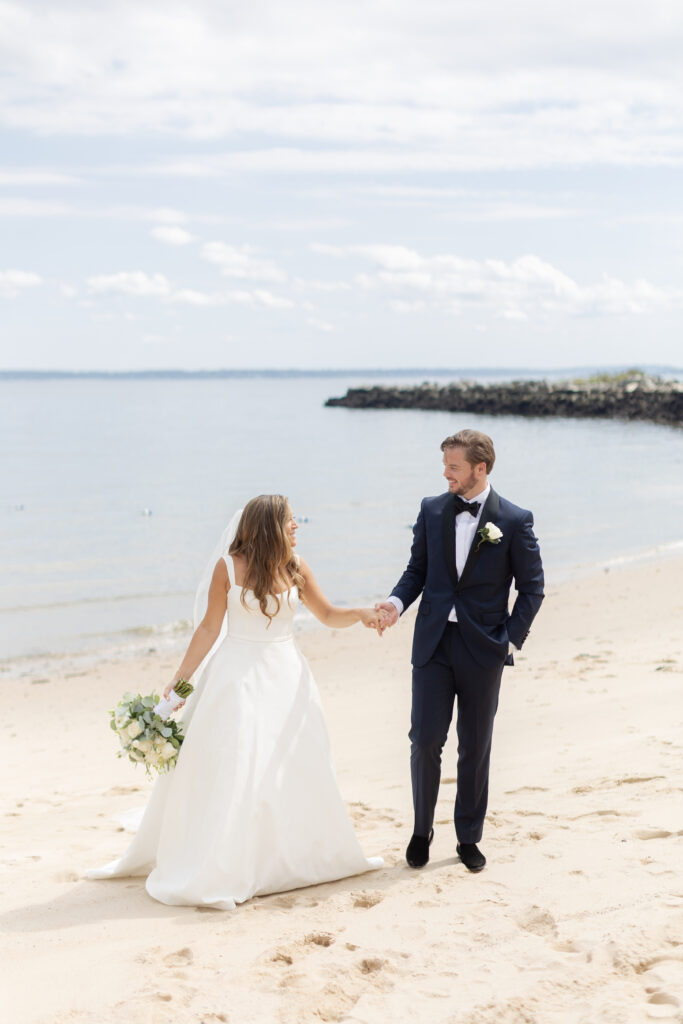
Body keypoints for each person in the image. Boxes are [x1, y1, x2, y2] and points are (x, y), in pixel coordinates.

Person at [86, 495, 383, 909]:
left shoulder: (296, 566)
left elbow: (328, 614)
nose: (298, 527)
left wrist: (363, 614)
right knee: (237, 764)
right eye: (291, 521)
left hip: (287, 676)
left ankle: (288, 855)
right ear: (270, 525)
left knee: (292, 763)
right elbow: (209, 631)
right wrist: (178, 687)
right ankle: (230, 859)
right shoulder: (228, 567)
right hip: (236, 678)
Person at [376, 429, 544, 872]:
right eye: (445, 465)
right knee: (425, 739)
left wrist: (508, 638)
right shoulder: (431, 510)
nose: (445, 474)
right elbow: (417, 570)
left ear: (479, 468)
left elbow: (532, 589)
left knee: (475, 745)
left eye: (453, 466)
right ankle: (421, 830)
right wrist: (394, 605)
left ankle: (468, 837)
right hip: (433, 643)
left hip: (483, 649)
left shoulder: (514, 519)